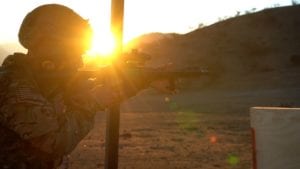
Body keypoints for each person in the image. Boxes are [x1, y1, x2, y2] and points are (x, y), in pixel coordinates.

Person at [0, 4, 172, 169]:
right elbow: (56, 141)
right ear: (51, 49)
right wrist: (94, 101)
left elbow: (92, 94)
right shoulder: (14, 86)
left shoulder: (43, 81)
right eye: (75, 52)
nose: (80, 61)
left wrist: (142, 81)